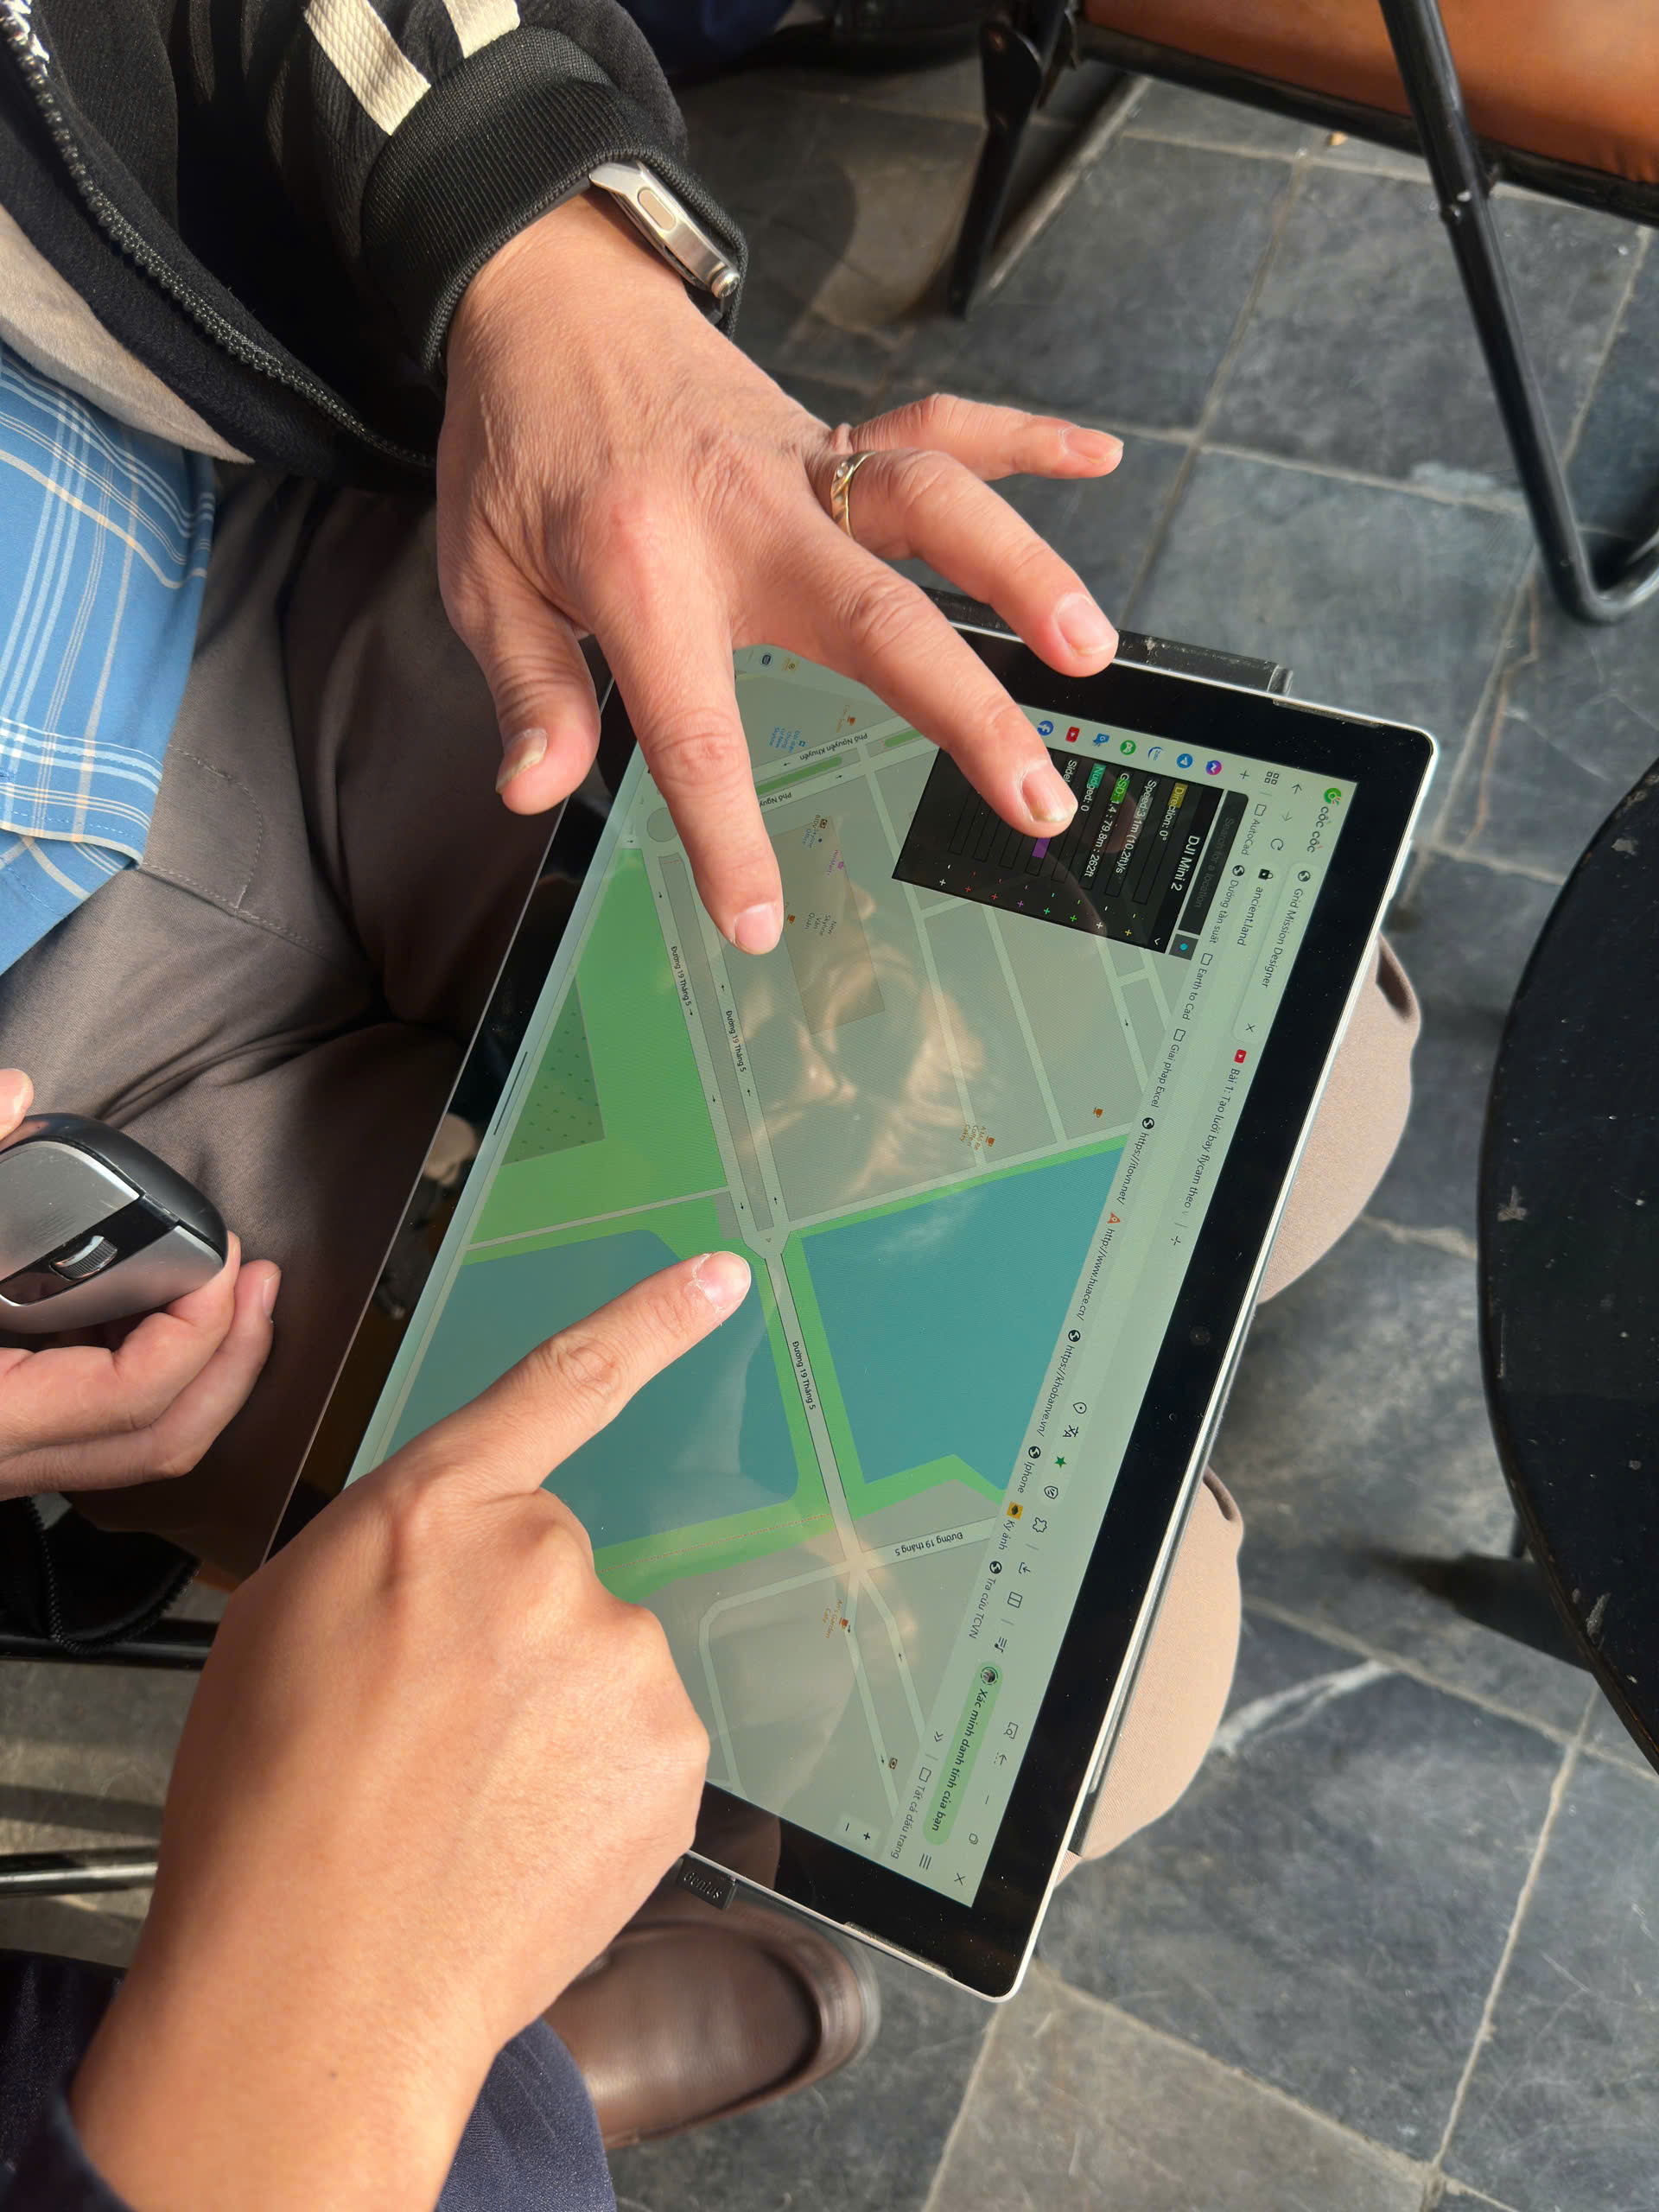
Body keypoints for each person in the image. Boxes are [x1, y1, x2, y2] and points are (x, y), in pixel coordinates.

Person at [0, 0, 1421, 2196]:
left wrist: (532, 240)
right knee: (1115, 1685)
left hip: (243, 501)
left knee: (1322, 1052)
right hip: (83, 1128)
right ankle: (524, 2058)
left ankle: (533, 2041)